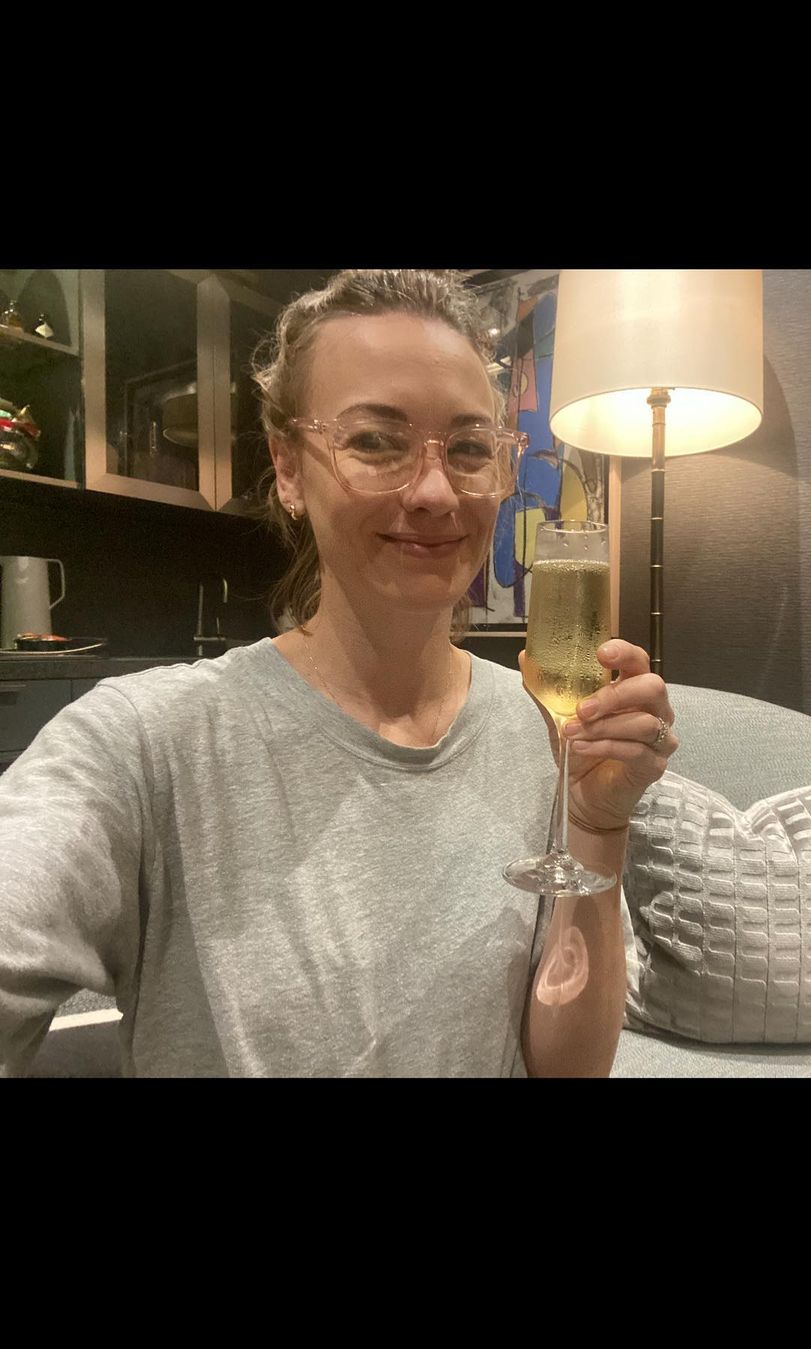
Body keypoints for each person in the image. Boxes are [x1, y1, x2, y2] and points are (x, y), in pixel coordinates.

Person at [0, 269, 679, 1078]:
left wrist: (597, 829)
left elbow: (567, 1069)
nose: (435, 491)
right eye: (376, 442)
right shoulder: (143, 744)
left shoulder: (542, 729)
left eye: (469, 448)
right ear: (288, 466)